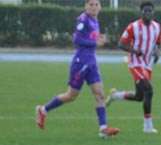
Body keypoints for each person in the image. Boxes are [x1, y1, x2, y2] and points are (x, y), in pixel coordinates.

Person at [35, 0, 119, 138]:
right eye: (91, 4)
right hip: (81, 62)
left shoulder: (94, 20)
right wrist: (95, 42)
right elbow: (76, 40)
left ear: (100, 7)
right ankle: (43, 110)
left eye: (96, 4)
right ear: (86, 6)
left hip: (91, 62)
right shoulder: (83, 19)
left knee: (100, 94)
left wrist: (98, 39)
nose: (93, 7)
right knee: (71, 95)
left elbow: (89, 38)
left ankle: (103, 129)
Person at [106, 1, 161, 134]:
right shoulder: (133, 26)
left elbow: (158, 42)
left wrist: (157, 52)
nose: (148, 13)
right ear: (141, 12)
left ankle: (115, 96)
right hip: (135, 63)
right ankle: (147, 126)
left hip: (148, 64)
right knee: (149, 90)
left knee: (139, 97)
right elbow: (121, 44)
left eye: (150, 11)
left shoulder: (157, 27)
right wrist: (134, 51)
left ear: (153, 12)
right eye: (145, 11)